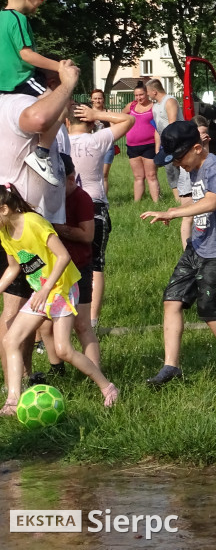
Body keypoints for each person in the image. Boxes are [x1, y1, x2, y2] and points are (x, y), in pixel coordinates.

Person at [141, 120, 216, 385]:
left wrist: (174, 212)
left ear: (198, 148)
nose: (177, 164)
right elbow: (194, 200)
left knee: (210, 310)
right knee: (172, 301)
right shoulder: (191, 167)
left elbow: (211, 202)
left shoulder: (214, 165)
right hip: (198, 246)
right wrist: (178, 212)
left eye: (179, 158)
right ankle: (171, 367)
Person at [0, 183, 117, 415]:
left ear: (4, 209)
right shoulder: (4, 232)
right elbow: (14, 268)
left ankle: (108, 388)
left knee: (64, 350)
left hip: (61, 289)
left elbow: (63, 256)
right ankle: (13, 401)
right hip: (41, 292)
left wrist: (46, 290)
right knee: (11, 341)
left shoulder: (34, 223)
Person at [0, 59, 77, 388]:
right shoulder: (21, 102)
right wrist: (68, 82)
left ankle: (28, 375)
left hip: (39, 225)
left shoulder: (56, 119)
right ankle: (11, 383)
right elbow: (39, 116)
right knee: (14, 309)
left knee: (29, 308)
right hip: (15, 224)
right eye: (60, 90)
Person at [68, 101, 135, 328]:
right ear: (90, 122)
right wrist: (97, 114)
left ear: (67, 121)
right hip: (94, 206)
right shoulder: (96, 139)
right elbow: (129, 119)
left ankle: (63, 317)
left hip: (64, 209)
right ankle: (91, 320)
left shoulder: (59, 141)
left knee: (64, 262)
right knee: (96, 265)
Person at [36, 154, 100, 378]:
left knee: (82, 325)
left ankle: (95, 373)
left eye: (57, 184)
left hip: (78, 268)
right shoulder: (44, 198)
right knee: (44, 325)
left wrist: (55, 229)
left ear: (71, 179)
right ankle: (57, 370)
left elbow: (87, 235)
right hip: (51, 272)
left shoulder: (81, 198)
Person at [0, 0, 65, 186]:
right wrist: (59, 67)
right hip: (21, 79)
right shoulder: (17, 18)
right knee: (61, 106)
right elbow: (27, 55)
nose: (42, 1)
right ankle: (41, 154)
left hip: (4, 86)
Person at [177, 115, 210, 250]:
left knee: (202, 215)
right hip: (187, 182)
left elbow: (206, 160)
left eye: (205, 132)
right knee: (188, 215)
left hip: (200, 180)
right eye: (200, 133)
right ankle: (186, 249)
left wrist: (206, 144)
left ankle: (201, 244)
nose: (203, 135)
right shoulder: (187, 144)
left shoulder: (202, 144)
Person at [146, 79, 181, 199]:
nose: (147, 95)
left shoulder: (170, 101)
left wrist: (171, 144)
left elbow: (172, 124)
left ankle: (185, 198)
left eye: (148, 92)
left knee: (180, 170)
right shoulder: (155, 106)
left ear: (154, 91)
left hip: (177, 142)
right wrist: (158, 148)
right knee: (170, 171)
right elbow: (157, 128)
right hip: (166, 144)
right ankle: (177, 200)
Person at [89, 89, 118, 197]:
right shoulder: (88, 112)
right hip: (91, 146)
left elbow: (114, 129)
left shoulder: (108, 113)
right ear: (91, 99)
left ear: (103, 99)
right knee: (93, 174)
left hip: (107, 147)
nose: (97, 100)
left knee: (104, 174)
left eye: (100, 98)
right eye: (95, 98)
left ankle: (104, 198)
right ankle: (94, 197)